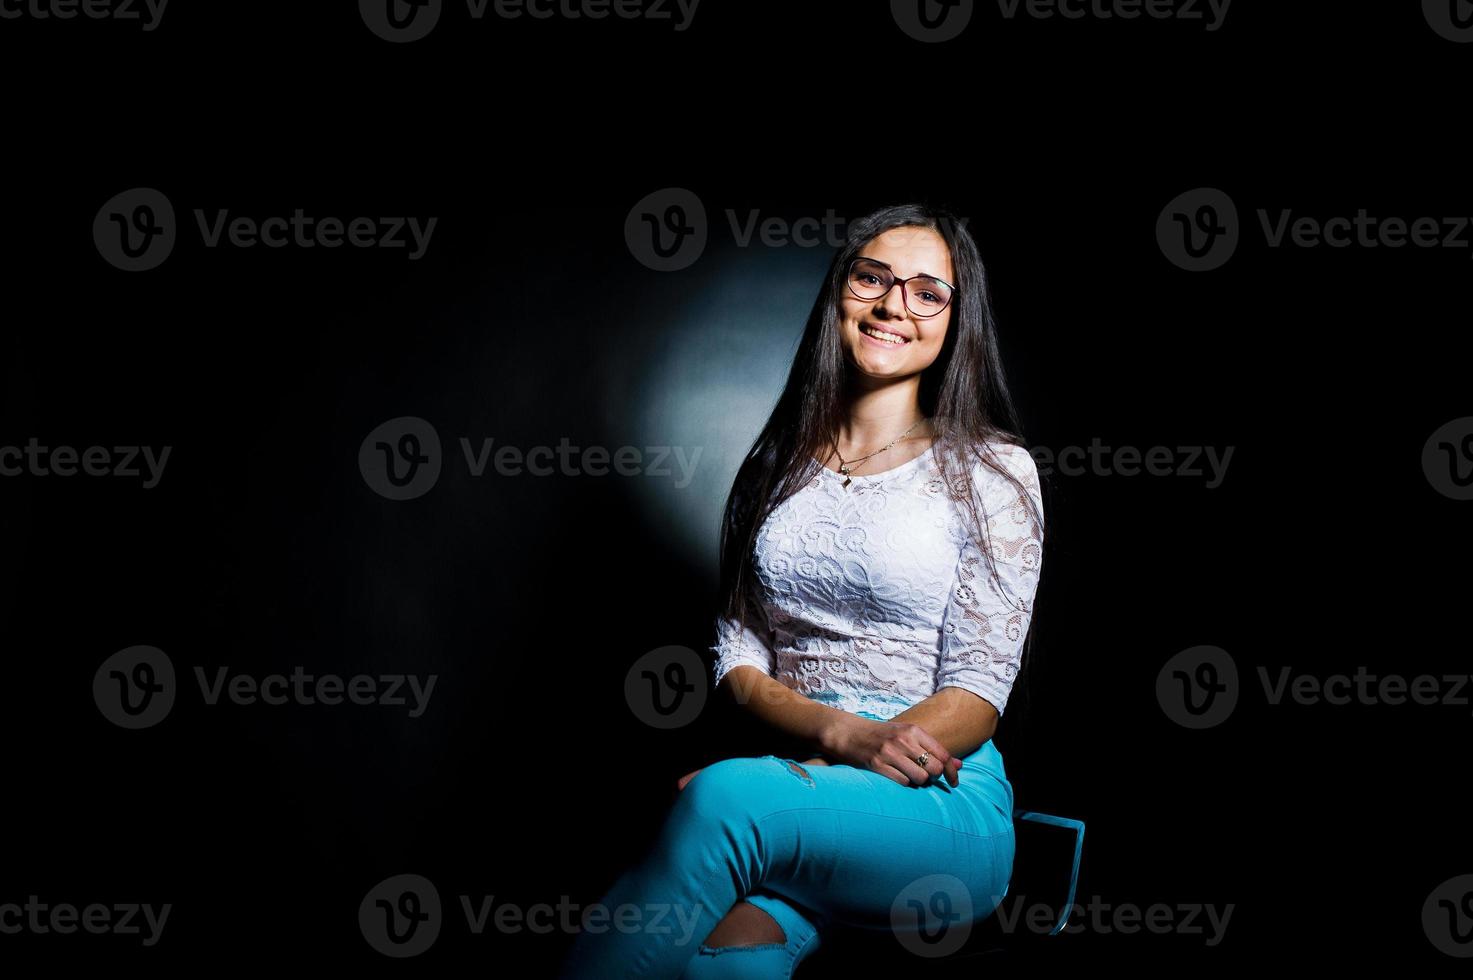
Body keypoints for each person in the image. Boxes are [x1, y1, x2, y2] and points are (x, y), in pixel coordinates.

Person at [558, 202, 1046, 978]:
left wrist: (801, 776)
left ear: (957, 322)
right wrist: (823, 749)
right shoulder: (773, 467)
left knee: (723, 801)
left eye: (927, 292)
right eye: (872, 278)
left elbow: (977, 693)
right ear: (839, 293)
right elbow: (739, 658)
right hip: (800, 786)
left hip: (939, 801)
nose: (893, 305)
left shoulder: (993, 473)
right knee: (726, 963)